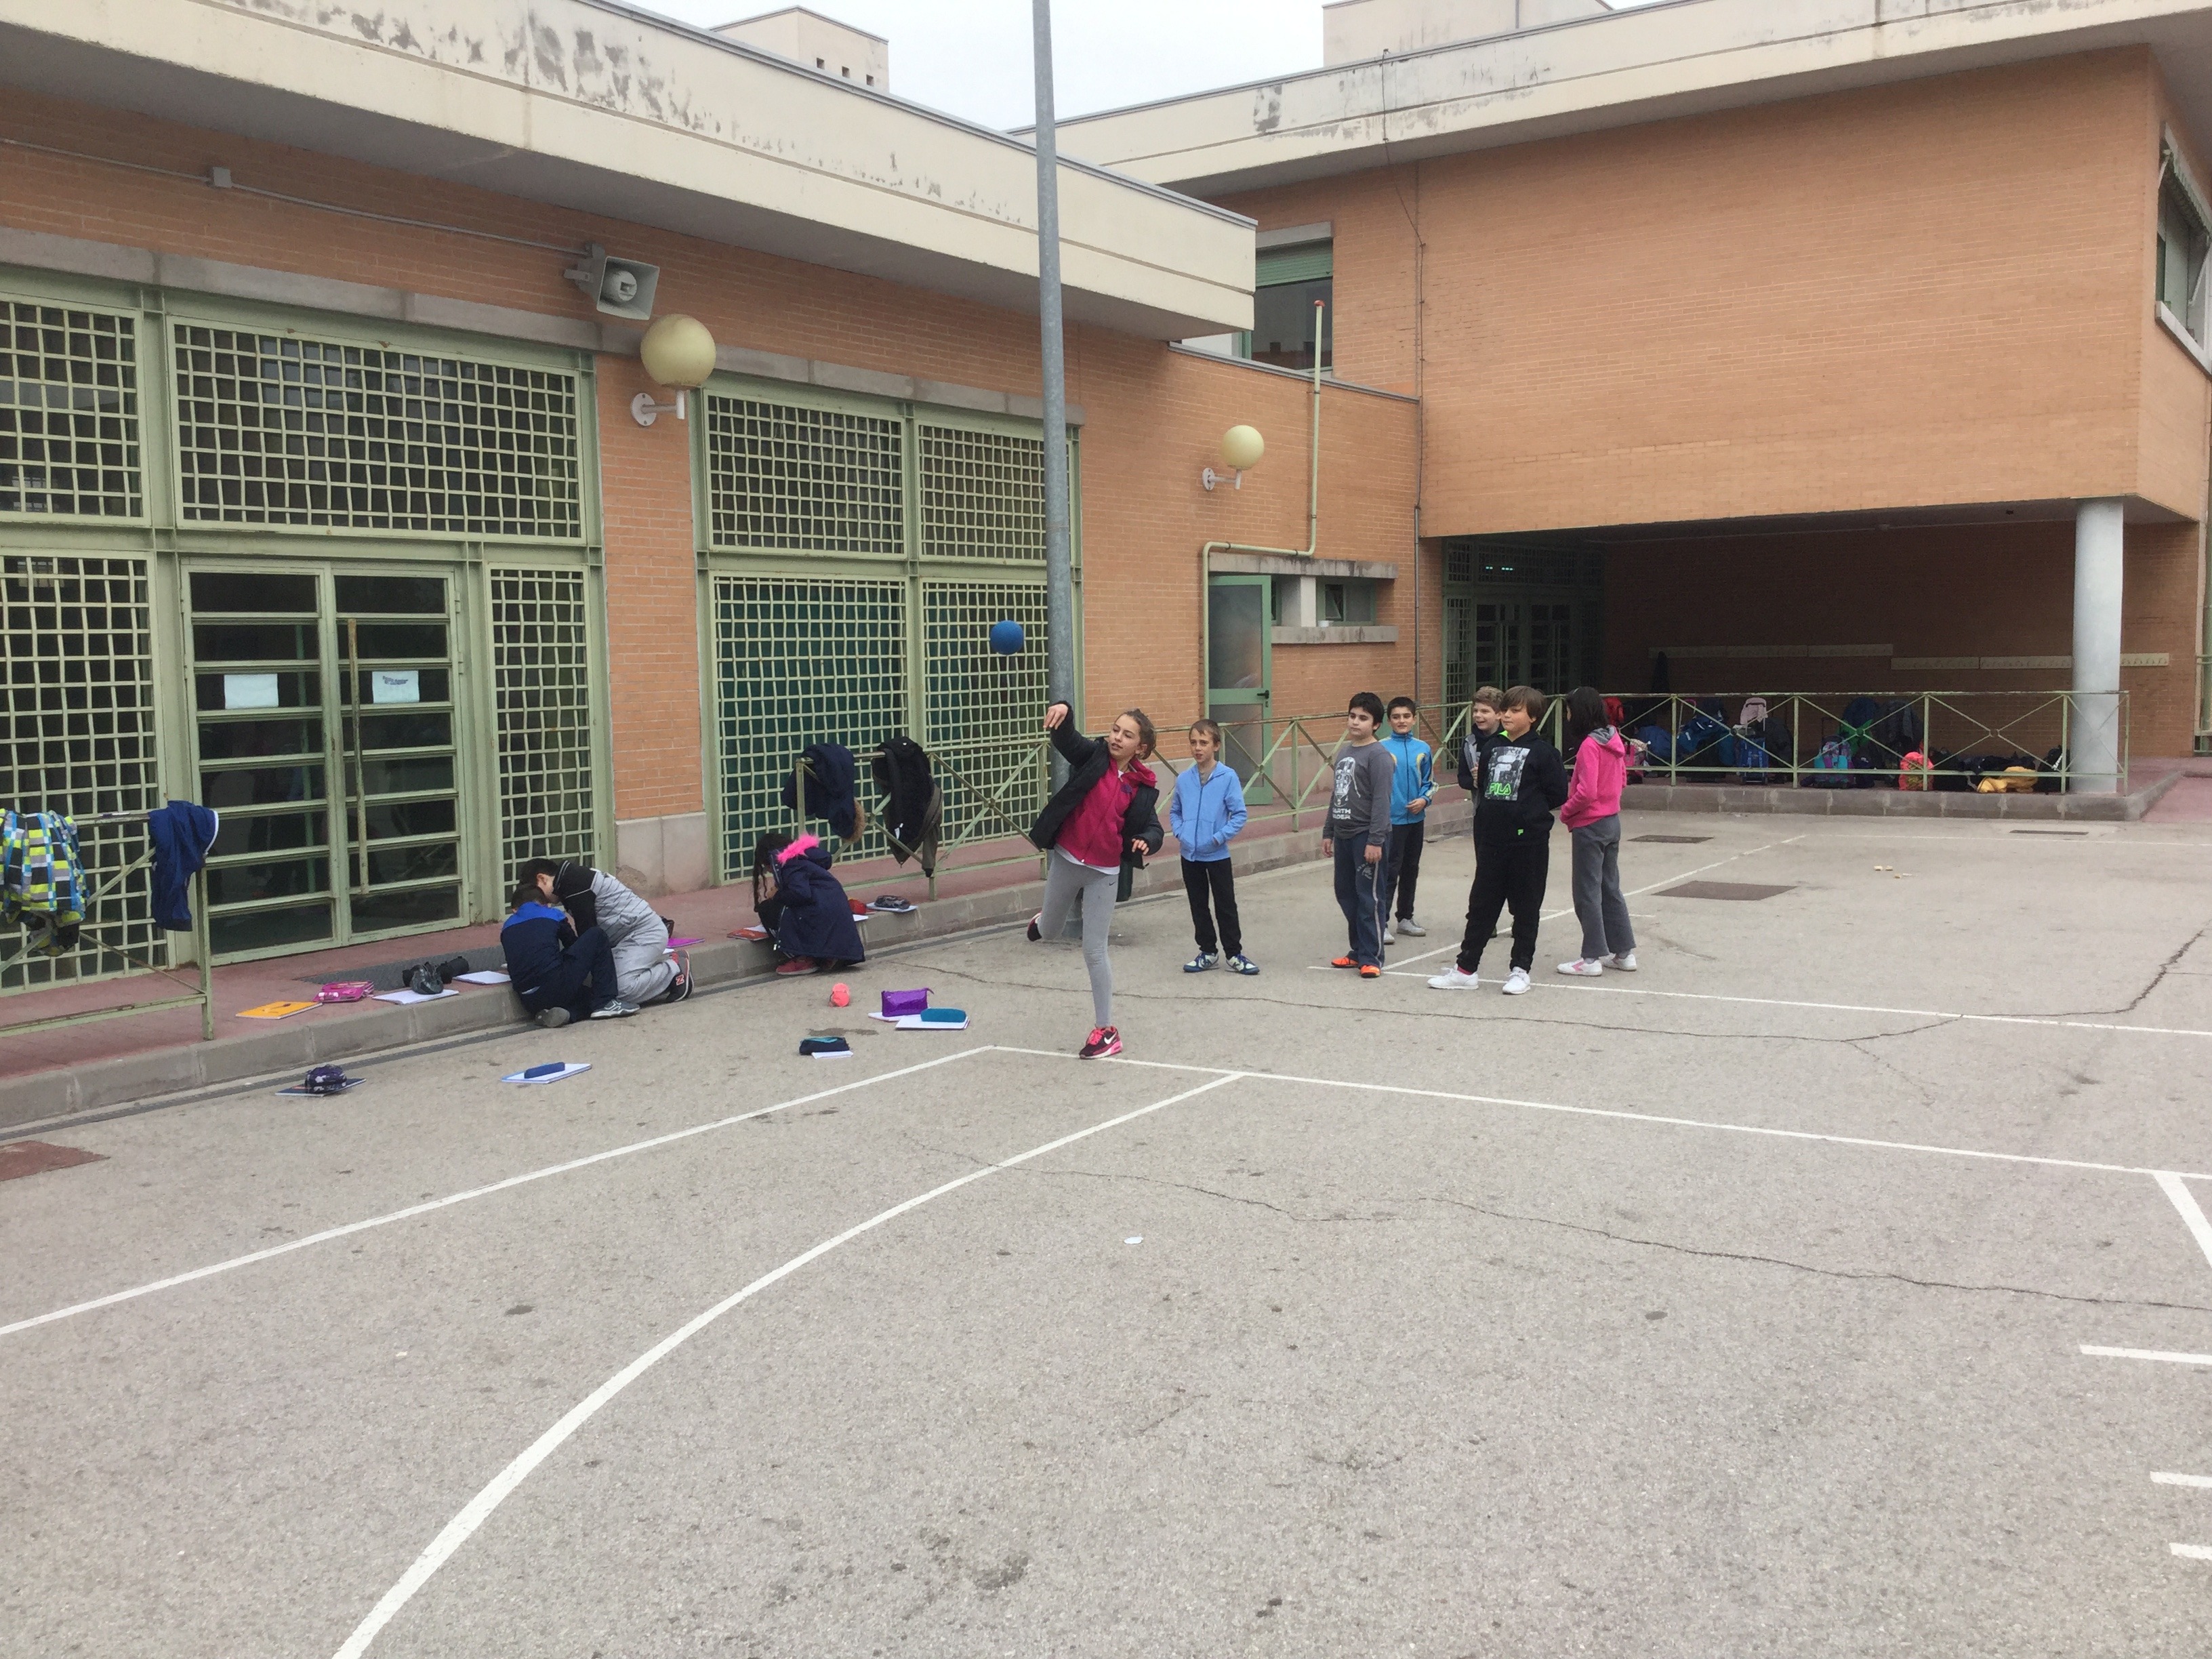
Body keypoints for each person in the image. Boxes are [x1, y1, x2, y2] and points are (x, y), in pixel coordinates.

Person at [1026, 701, 1164, 1059]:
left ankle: (1106, 1031)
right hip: (1067, 859)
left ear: (1141, 748)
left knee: (1095, 950)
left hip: (1105, 872)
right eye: (1115, 730)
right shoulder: (1093, 757)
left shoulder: (1142, 787)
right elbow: (1067, 739)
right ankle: (1042, 920)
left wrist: (1147, 840)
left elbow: (1153, 827)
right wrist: (1065, 710)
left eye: (1127, 735)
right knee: (1051, 932)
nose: (1117, 738)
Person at [1429, 684, 1570, 996]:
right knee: (1481, 906)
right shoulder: (1492, 746)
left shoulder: (1544, 753)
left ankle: (1520, 969)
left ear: (1532, 717)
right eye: (1504, 709)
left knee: (1526, 907)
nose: (1506, 715)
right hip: (1492, 840)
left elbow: (1558, 793)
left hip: (1528, 843)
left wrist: (1527, 813)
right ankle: (1466, 969)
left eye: (1515, 711)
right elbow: (1483, 785)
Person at [524, 858, 689, 1006]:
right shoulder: (571, 879)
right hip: (625, 938)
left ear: (542, 879)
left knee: (620, 990)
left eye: (536, 893)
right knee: (599, 982)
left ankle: (674, 969)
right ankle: (649, 973)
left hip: (644, 933)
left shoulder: (573, 883)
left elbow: (589, 936)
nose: (539, 902)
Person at [1556, 685, 1639, 977]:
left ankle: (1591, 958)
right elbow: (1623, 780)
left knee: (1587, 892)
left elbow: (1586, 791)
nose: (1567, 717)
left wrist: (1567, 811)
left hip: (1590, 824)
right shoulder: (1614, 739)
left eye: (1569, 711)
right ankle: (1624, 952)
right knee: (1610, 888)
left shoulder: (1589, 746)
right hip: (1612, 821)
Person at [1170, 716, 1257, 975]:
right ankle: (1207, 951)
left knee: (1225, 905)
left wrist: (1219, 837)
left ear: (1216, 745)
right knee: (1198, 905)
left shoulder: (1227, 777)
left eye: (1204, 743)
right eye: (1193, 743)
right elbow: (1175, 811)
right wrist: (1181, 832)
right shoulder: (1184, 779)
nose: (1198, 748)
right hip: (1190, 854)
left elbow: (1239, 814)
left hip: (1217, 854)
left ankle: (1234, 953)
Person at [1321, 691, 1395, 979]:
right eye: (1352, 716)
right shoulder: (1345, 752)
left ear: (1376, 725)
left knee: (1369, 898)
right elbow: (1337, 795)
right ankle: (1357, 951)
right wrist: (1329, 831)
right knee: (1346, 894)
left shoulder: (1379, 756)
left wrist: (1376, 840)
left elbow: (1382, 801)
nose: (1355, 722)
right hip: (1343, 834)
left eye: (1363, 718)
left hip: (1366, 835)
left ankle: (1372, 956)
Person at [499, 876, 640, 1029]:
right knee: (597, 936)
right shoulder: (554, 915)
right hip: (555, 987)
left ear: (515, 910)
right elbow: (573, 945)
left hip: (528, 1001)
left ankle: (555, 1015)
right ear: (545, 904)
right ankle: (606, 1002)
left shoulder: (506, 927)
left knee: (587, 996)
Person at [751, 832, 865, 976]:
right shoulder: (805, 859)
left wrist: (777, 895)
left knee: (768, 909)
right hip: (838, 923)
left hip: (820, 914)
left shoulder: (791, 865)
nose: (769, 871)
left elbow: (801, 894)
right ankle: (828, 956)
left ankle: (803, 958)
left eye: (767, 867)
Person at [1378, 695, 1435, 944]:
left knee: (1411, 869)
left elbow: (1430, 782)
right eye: (1396, 717)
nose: (1401, 721)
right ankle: (1381, 922)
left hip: (1416, 819)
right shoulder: (1381, 748)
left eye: (1406, 716)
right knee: (1389, 871)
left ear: (1414, 719)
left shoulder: (1423, 749)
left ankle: (1405, 918)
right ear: (1389, 721)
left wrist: (1424, 800)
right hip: (1391, 821)